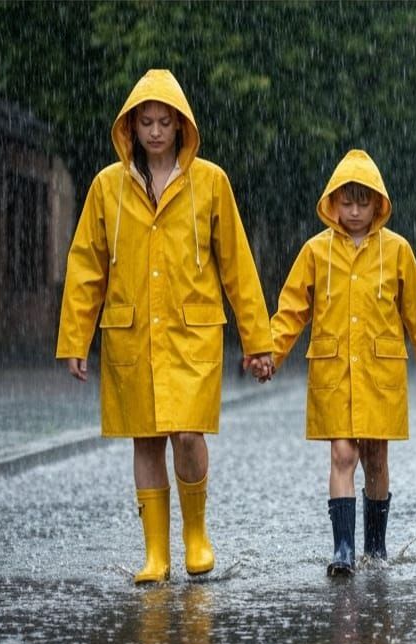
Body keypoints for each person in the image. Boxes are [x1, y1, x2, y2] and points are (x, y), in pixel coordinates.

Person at [56, 69, 274, 584]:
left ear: (181, 126)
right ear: (130, 128)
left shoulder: (212, 183)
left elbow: (237, 265)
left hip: (192, 331)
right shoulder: (107, 187)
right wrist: (74, 338)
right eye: (145, 122)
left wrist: (256, 341)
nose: (155, 131)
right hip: (131, 332)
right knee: (147, 439)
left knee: (188, 432)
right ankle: (156, 554)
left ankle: (196, 534)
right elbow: (87, 264)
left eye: (164, 122)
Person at [270, 149, 416, 576]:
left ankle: (376, 546)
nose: (353, 212)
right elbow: (292, 308)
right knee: (342, 455)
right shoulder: (315, 251)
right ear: (333, 202)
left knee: (376, 459)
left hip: (379, 372)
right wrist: (270, 354)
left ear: (377, 204)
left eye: (362, 202)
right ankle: (344, 550)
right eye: (346, 202)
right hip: (334, 372)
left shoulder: (397, 251)